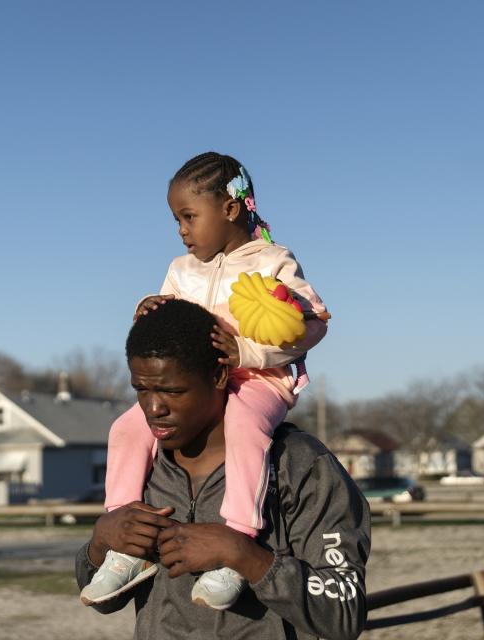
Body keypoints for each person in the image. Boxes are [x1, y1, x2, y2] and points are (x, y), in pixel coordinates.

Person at [81, 151, 330, 610]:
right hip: (197, 385)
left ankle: (234, 540)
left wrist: (248, 352)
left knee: (242, 426)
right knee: (126, 428)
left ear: (230, 210)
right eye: (176, 219)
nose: (181, 229)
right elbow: (170, 321)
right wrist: (150, 305)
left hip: (260, 378)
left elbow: (312, 323)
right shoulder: (181, 269)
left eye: (189, 216)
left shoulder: (275, 262)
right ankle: (125, 540)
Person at [74, 300, 370, 640]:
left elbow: (344, 614)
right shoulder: (139, 463)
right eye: (142, 389)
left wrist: (247, 557)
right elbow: (103, 601)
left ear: (218, 375)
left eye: (172, 391)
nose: (153, 408)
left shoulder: (300, 464)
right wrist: (99, 545)